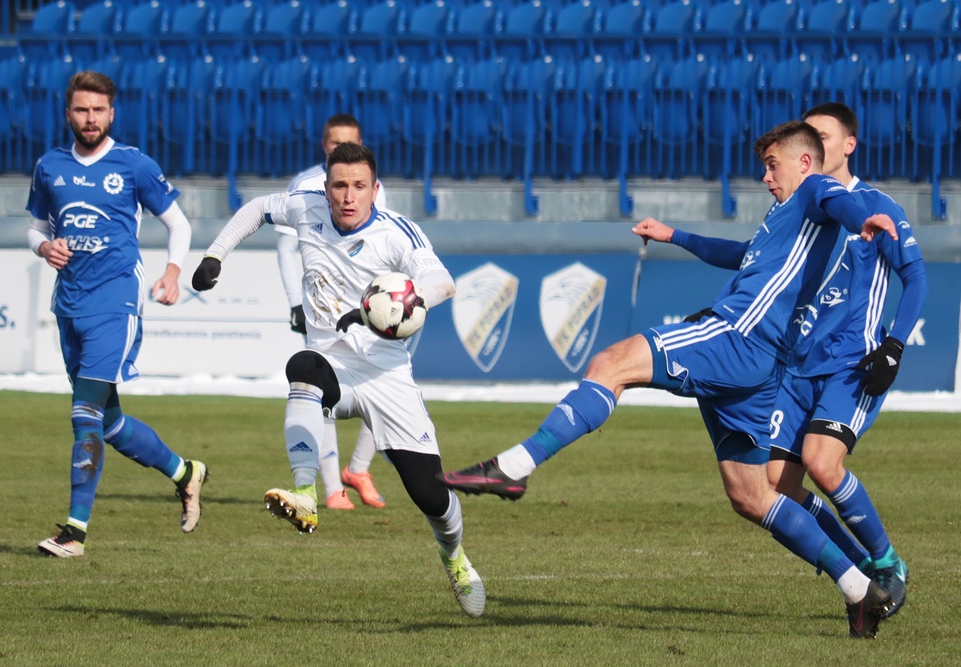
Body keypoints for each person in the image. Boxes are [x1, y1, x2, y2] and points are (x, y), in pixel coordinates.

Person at [438, 121, 900, 637]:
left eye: (772, 166)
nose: (765, 177)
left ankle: (514, 466)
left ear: (804, 163)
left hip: (736, 336)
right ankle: (860, 590)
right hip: (757, 363)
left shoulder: (816, 189)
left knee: (611, 364)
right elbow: (741, 254)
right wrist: (674, 235)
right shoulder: (783, 216)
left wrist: (866, 218)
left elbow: (842, 202)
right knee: (752, 496)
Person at [626, 104, 926, 621]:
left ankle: (886, 562)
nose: (815, 141)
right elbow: (746, 256)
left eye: (824, 135)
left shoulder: (874, 206)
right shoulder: (797, 209)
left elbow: (916, 278)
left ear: (848, 145)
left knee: (822, 463)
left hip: (850, 364)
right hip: (794, 365)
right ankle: (858, 573)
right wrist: (676, 235)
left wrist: (894, 346)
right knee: (775, 484)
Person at [191, 142, 485, 618]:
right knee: (303, 366)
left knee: (430, 495)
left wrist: (384, 307)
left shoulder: (396, 233)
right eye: (340, 185)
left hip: (386, 376)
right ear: (325, 187)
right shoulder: (306, 209)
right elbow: (258, 209)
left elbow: (442, 283)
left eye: (359, 186)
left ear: (375, 189)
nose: (349, 196)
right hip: (334, 368)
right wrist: (215, 255)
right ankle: (306, 493)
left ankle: (454, 558)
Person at [27, 70, 208, 559]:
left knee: (83, 414)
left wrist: (173, 273)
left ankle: (74, 532)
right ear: (68, 113)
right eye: (81, 110)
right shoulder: (49, 166)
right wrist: (44, 247)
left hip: (116, 302)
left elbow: (179, 224)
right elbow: (36, 227)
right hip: (69, 304)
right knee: (108, 423)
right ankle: (186, 472)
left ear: (112, 113)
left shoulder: (133, 165)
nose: (90, 118)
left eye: (98, 110)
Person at [278, 113, 388, 512]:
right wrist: (296, 301)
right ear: (324, 145)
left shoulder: (373, 186)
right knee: (319, 389)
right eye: (335, 142)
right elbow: (285, 249)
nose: (342, 148)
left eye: (350, 142)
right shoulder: (307, 185)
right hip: (322, 308)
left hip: (367, 310)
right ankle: (331, 489)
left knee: (383, 385)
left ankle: (358, 468)